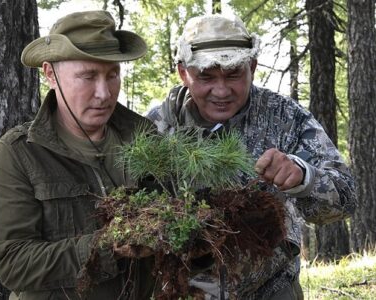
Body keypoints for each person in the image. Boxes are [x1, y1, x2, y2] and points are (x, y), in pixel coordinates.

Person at [147, 13, 356, 299]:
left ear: (253, 67)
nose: (221, 90)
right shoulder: (157, 128)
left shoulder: (284, 118)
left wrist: (303, 177)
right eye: (206, 76)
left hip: (271, 289)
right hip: (184, 292)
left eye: (233, 74)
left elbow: (345, 197)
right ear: (184, 73)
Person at [0, 10, 155, 300]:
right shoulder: (20, 153)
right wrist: (105, 247)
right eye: (88, 76)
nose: (104, 93)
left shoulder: (144, 138)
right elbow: (13, 263)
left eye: (112, 74)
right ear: (51, 74)